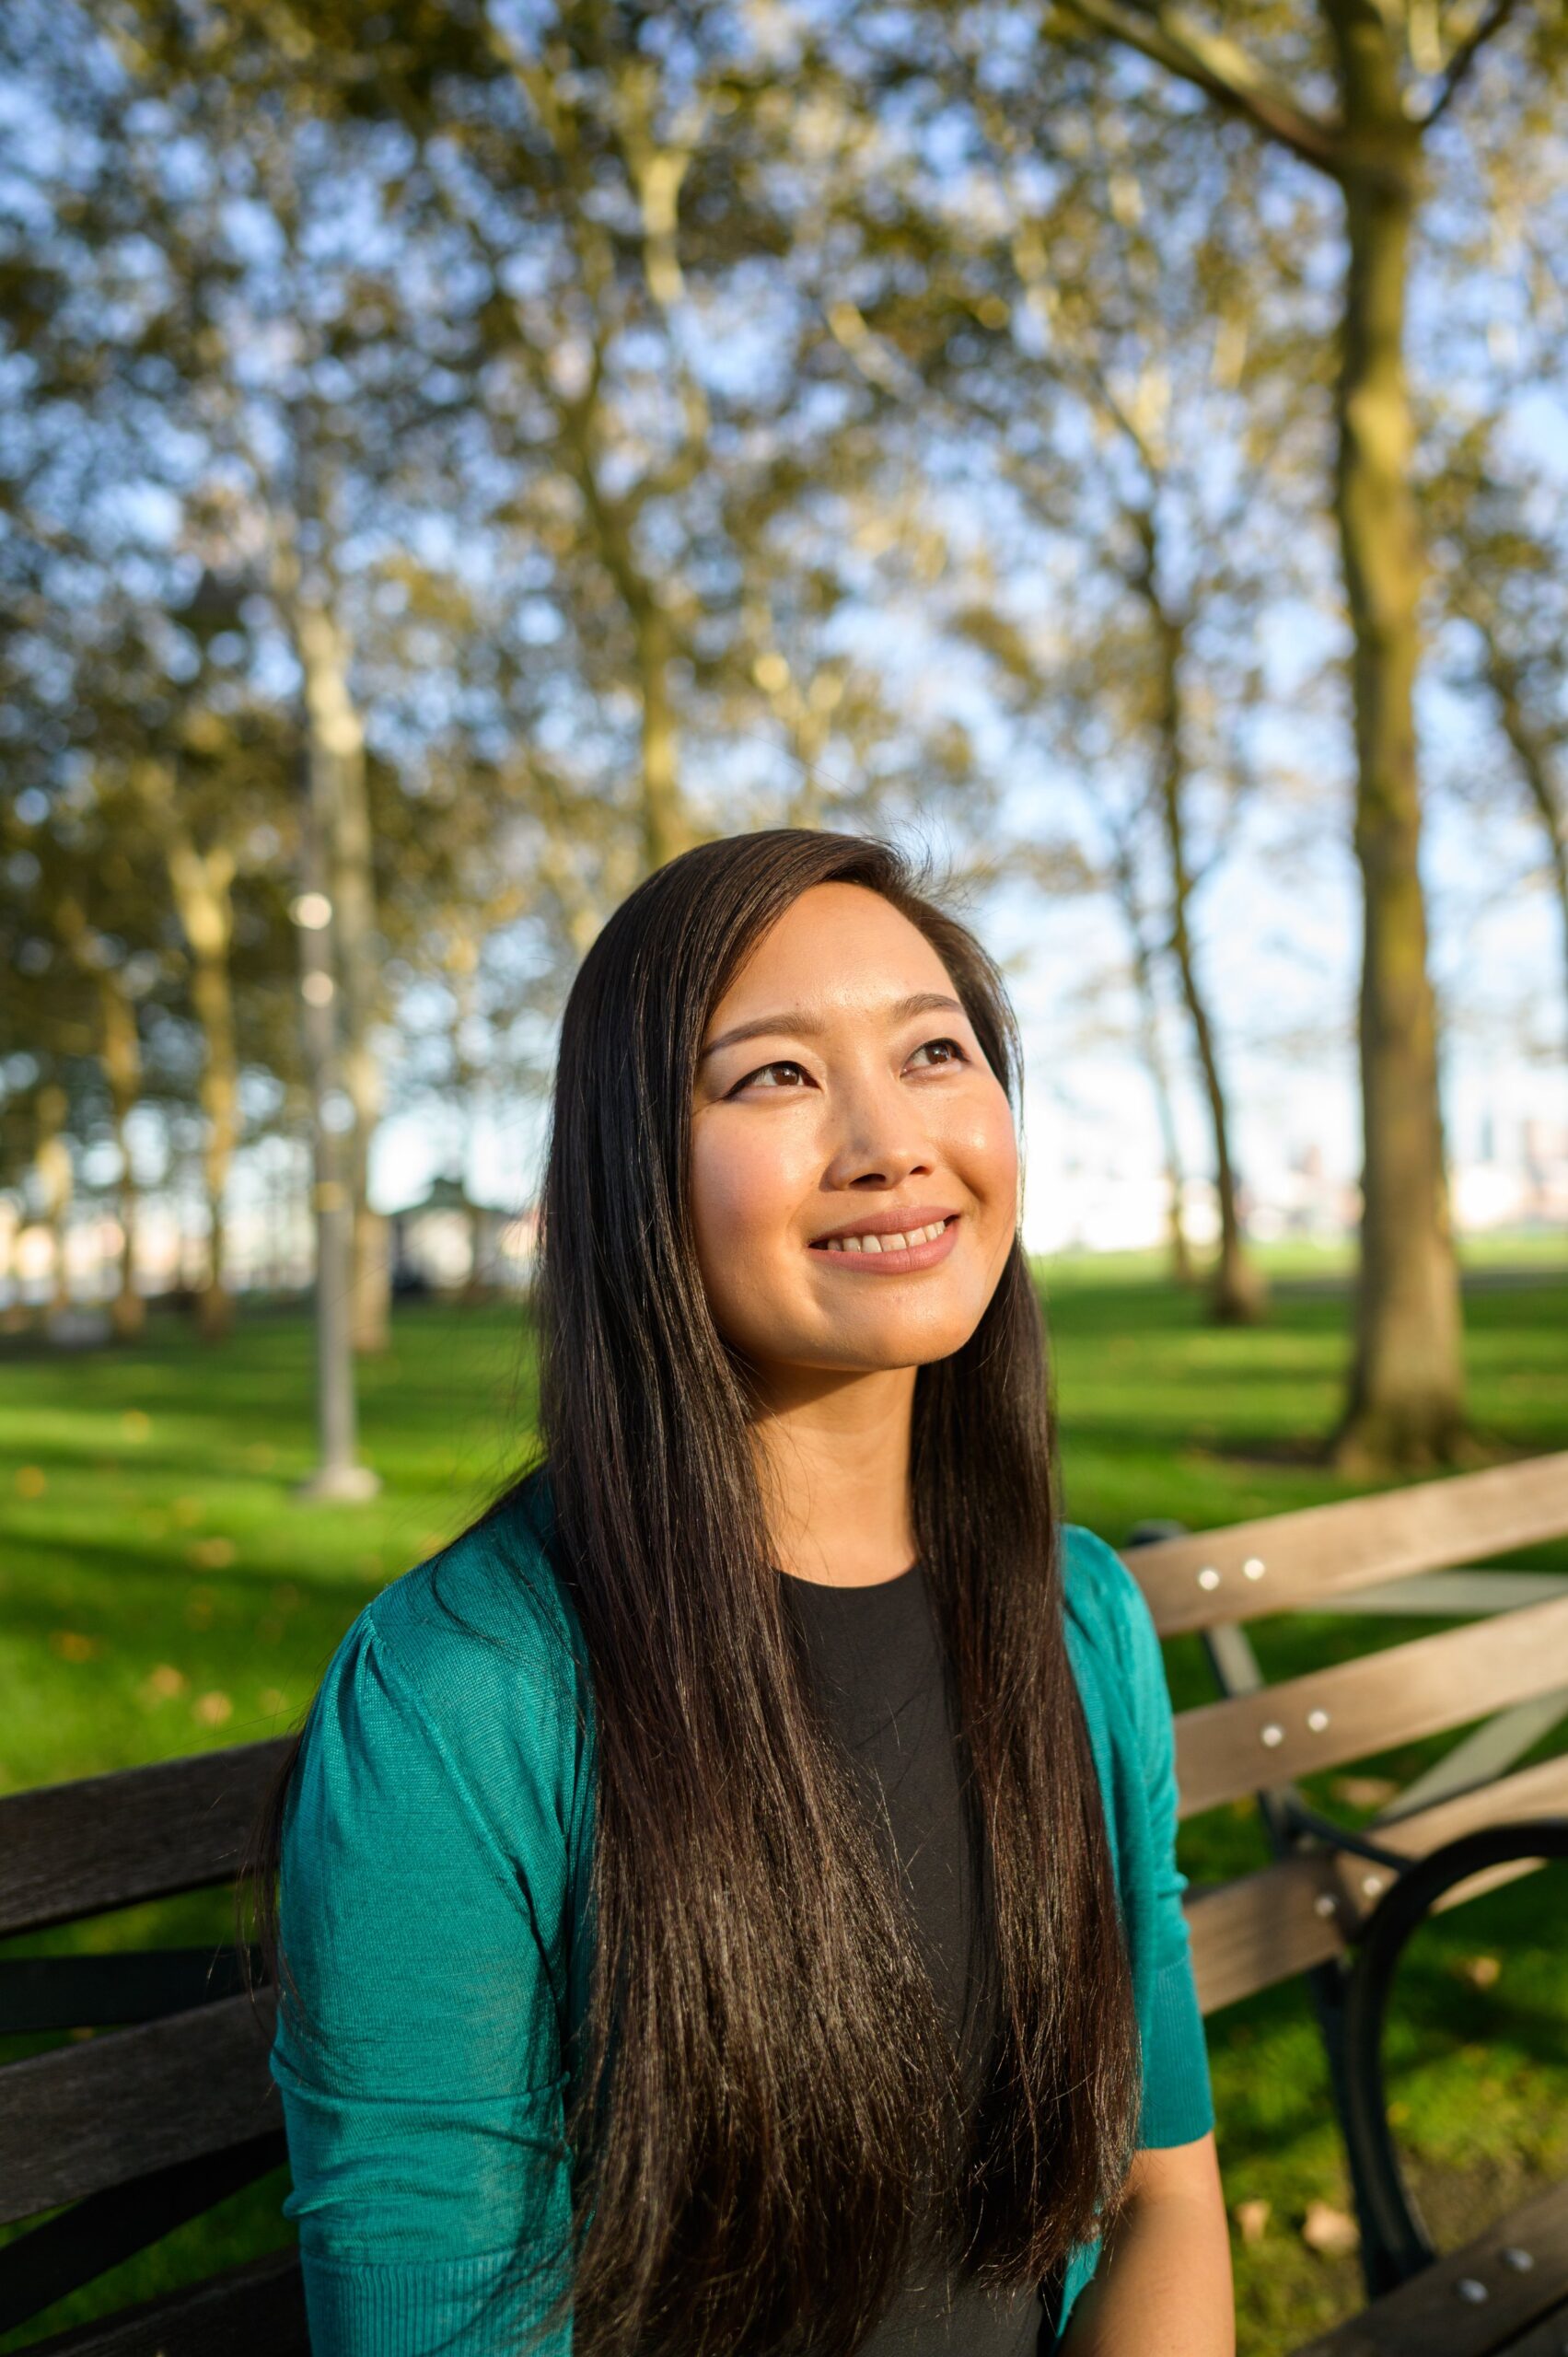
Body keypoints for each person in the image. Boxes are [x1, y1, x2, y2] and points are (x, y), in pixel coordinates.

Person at [243, 828, 1235, 2357]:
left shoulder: (1079, 1625)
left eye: (935, 1052)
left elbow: (1163, 2197)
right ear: (631, 1174)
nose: (891, 1140)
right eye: (774, 1075)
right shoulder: (464, 1707)